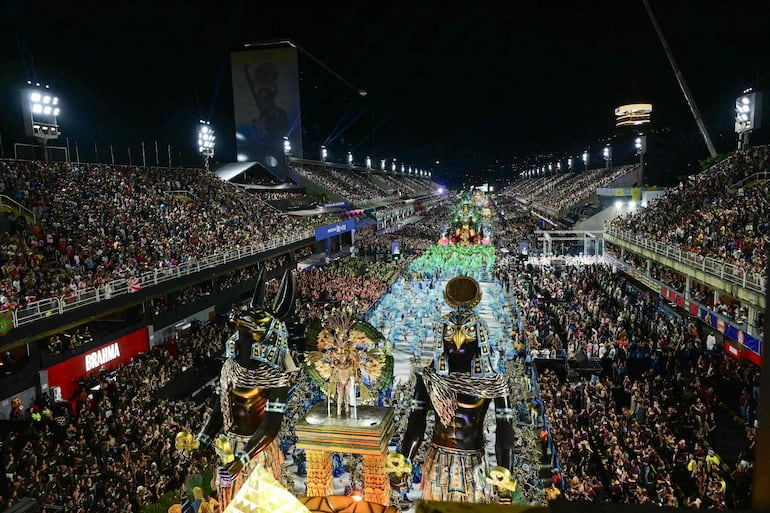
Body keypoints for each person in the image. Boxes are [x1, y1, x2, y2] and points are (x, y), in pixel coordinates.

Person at [391, 276, 517, 503]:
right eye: (450, 336)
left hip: (474, 464)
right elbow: (415, 423)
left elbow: (504, 431)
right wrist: (405, 461)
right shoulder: (428, 378)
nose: (458, 343)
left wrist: (504, 475)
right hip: (437, 461)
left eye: (466, 336)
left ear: (480, 340)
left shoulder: (494, 382)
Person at [180, 268, 297, 509]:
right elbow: (220, 410)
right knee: (229, 502)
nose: (247, 318)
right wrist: (201, 441)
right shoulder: (229, 368)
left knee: (259, 505)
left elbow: (271, 426)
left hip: (257, 455)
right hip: (229, 448)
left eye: (258, 318)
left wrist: (242, 459)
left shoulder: (276, 377)